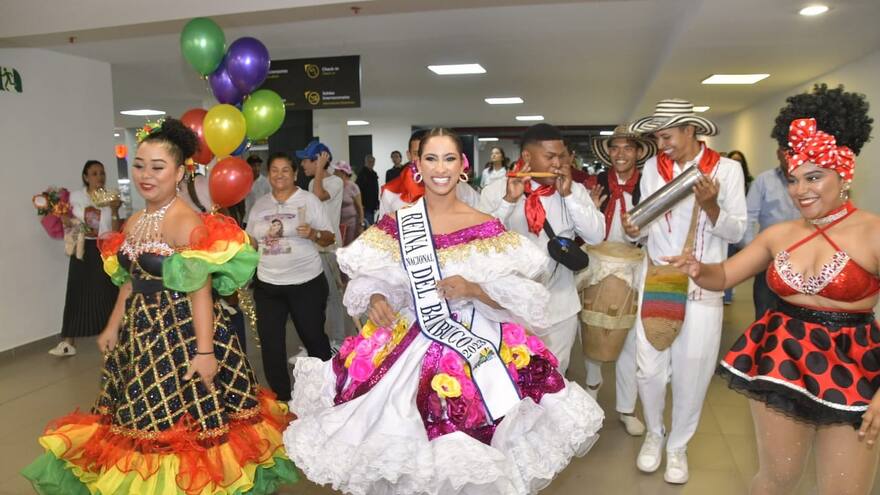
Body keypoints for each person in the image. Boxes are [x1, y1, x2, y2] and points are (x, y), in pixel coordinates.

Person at [283, 128, 603, 495]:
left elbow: (517, 299)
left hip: (476, 345)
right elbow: (375, 281)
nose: (440, 168)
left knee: (470, 461)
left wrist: (473, 288)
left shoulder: (486, 226)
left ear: (462, 166)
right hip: (406, 346)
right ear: (417, 165)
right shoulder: (399, 224)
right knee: (404, 455)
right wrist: (376, 298)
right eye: (431, 158)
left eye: (449, 158)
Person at [22, 119, 297, 494]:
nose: (145, 175)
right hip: (142, 332)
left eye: (157, 167)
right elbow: (131, 280)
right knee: (136, 420)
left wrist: (204, 352)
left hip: (182, 334)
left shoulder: (185, 221)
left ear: (180, 171)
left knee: (178, 426)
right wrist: (112, 325)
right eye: (139, 165)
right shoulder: (135, 220)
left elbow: (201, 291)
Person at [665, 86, 879, 495]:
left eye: (814, 177)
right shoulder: (779, 233)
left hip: (853, 366)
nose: (801, 191)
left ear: (844, 173)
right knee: (777, 479)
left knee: (845, 489)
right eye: (794, 180)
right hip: (781, 358)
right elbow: (724, 277)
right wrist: (697, 268)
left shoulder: (873, 232)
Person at [623, 99, 746, 484]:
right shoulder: (650, 170)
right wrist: (634, 230)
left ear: (691, 130)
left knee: (693, 371)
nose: (662, 144)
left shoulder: (726, 170)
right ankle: (655, 435)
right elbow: (646, 223)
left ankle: (678, 445)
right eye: (658, 137)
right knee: (650, 371)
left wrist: (710, 206)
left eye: (668, 136)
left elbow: (738, 232)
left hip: (700, 286)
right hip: (658, 283)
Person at [480, 123, 606, 374]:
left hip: (560, 307)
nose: (558, 163)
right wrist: (508, 203)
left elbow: (596, 236)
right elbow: (481, 245)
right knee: (513, 380)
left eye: (562, 156)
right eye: (550, 156)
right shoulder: (496, 191)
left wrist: (569, 197)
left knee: (555, 380)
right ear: (527, 156)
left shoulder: (574, 190)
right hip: (512, 309)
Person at [580, 123, 657, 435]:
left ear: (638, 152)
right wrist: (592, 209)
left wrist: (640, 228)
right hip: (597, 263)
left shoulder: (650, 185)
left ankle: (626, 408)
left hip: (635, 266)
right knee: (593, 328)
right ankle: (591, 393)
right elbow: (582, 228)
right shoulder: (593, 183)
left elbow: (658, 229)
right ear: (608, 152)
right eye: (615, 147)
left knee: (630, 339)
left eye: (628, 147)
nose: (621, 153)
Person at [247, 152, 336, 401]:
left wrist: (314, 234)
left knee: (314, 338)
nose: (279, 175)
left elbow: (330, 237)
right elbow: (251, 241)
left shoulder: (308, 200)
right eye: (274, 170)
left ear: (294, 173)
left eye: (285, 169)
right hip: (268, 284)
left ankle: (327, 393)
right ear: (269, 174)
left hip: (306, 283)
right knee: (271, 344)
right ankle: (282, 398)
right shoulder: (260, 204)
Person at [741, 117, 814, 320]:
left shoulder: (813, 180)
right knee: (765, 314)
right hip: (769, 261)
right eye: (786, 150)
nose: (790, 155)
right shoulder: (764, 181)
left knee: (799, 316)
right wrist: (753, 252)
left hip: (805, 259)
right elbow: (748, 216)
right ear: (778, 153)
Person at [48, 160, 123, 357]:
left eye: (102, 173)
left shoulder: (110, 197)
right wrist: (66, 218)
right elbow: (77, 222)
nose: (100, 177)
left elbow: (113, 230)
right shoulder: (75, 196)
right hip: (82, 249)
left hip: (103, 248)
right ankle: (67, 342)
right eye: (95, 173)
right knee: (76, 293)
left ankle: (115, 336)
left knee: (108, 292)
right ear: (85, 177)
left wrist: (114, 210)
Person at [298, 139, 348, 348]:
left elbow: (319, 195)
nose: (302, 165)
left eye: (306, 161)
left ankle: (338, 341)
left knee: (333, 296)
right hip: (313, 246)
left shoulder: (336, 182)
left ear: (318, 161)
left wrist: (319, 167)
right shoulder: (312, 182)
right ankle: (318, 341)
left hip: (329, 247)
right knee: (315, 296)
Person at [379, 130, 482, 216]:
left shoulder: (462, 190)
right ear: (409, 155)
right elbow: (383, 235)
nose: (439, 167)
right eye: (417, 154)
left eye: (449, 158)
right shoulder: (390, 192)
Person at [723, 150, 755, 304]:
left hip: (741, 225)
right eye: (734, 160)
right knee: (727, 262)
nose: (737, 164)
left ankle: (728, 292)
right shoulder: (726, 180)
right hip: (727, 225)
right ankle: (726, 294)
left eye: (740, 161)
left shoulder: (750, 183)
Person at [334, 160, 365, 246]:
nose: (333, 173)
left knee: (349, 247)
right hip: (338, 224)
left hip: (352, 224)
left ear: (343, 173)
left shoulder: (353, 187)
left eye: (336, 171)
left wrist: (361, 225)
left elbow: (360, 207)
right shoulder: (335, 186)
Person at [355, 154, 379, 226]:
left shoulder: (374, 173)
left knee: (370, 223)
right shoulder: (362, 174)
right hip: (365, 204)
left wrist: (376, 202)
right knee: (367, 225)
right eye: (369, 161)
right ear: (365, 162)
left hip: (372, 204)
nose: (371, 163)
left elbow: (375, 189)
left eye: (372, 162)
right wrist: (360, 203)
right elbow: (358, 189)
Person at [244, 154, 270, 221]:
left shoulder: (266, 182)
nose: (256, 168)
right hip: (247, 218)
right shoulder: (244, 181)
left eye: (258, 165)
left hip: (262, 218)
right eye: (253, 166)